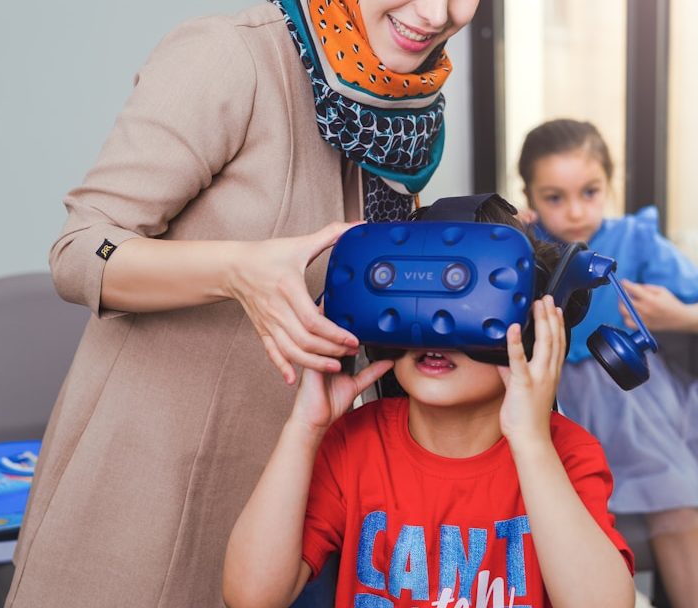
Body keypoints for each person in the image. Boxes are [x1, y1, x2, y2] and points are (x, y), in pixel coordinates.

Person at [5, 0, 512, 607]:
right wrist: (238, 271)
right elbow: (81, 249)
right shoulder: (232, 58)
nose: (436, 11)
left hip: (304, 509)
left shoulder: (400, 114)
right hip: (153, 494)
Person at [222, 195, 636, 608]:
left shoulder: (565, 453)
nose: (434, 324)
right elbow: (251, 598)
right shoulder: (354, 443)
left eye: (465, 292)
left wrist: (531, 444)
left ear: (531, 324)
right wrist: (304, 427)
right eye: (413, 294)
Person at [517, 118, 698, 608]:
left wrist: (679, 315)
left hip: (635, 405)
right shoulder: (525, 244)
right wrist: (512, 228)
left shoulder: (637, 240)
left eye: (590, 192)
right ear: (529, 195)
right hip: (554, 402)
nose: (576, 211)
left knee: (676, 504)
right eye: (555, 197)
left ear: (609, 184)